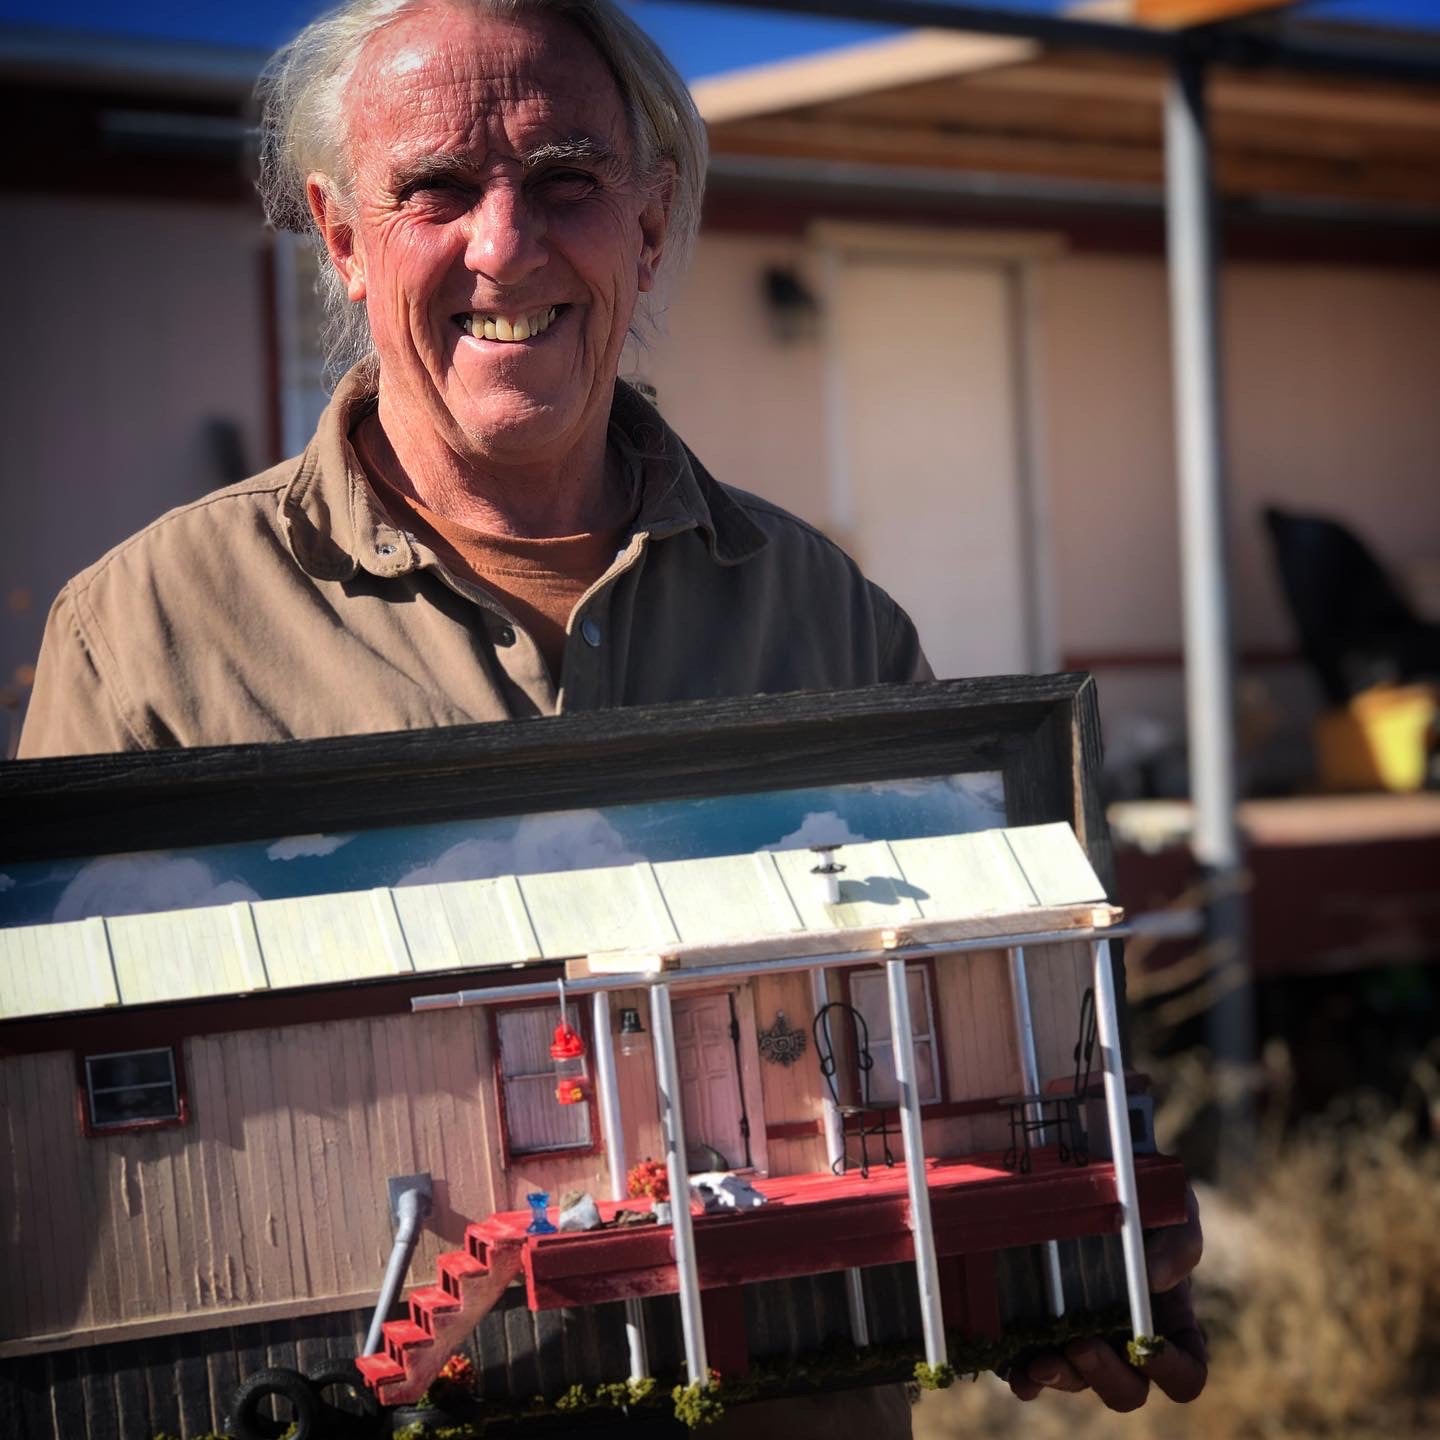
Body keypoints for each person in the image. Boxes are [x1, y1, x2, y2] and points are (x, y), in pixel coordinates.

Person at [17, 0, 1205, 1426]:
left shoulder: (823, 615)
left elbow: (977, 1030)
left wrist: (1072, 1260)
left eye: (565, 178)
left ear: (649, 224)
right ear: (340, 238)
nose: (505, 245)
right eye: (434, 187)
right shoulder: (147, 637)